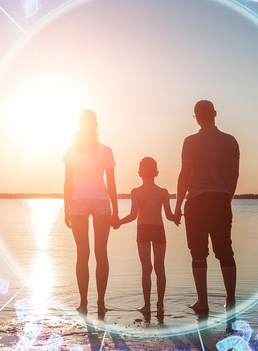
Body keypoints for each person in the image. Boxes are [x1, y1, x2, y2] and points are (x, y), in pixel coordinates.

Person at [174, 100, 240, 314]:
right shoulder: (231, 142)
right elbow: (234, 175)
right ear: (214, 114)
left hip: (197, 201)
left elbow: (184, 175)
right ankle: (230, 299)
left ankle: (203, 301)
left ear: (196, 116)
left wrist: (177, 206)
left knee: (198, 252)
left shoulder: (190, 142)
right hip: (221, 200)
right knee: (225, 251)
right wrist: (226, 197)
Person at [63, 110, 119, 317]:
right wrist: (116, 209)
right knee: (101, 253)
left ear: (79, 125)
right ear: (95, 125)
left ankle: (84, 303)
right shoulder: (106, 150)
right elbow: (111, 184)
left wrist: (66, 208)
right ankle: (101, 303)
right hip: (101, 203)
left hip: (77, 203)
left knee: (82, 253)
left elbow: (67, 183)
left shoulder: (72, 151)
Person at [117, 157, 173, 317]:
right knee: (159, 267)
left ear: (139, 173)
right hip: (158, 229)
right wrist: (176, 217)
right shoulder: (163, 192)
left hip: (143, 230)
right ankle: (160, 305)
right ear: (156, 173)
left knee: (146, 268)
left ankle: (147, 305)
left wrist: (119, 222)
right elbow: (169, 216)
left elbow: (133, 215)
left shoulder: (136, 192)